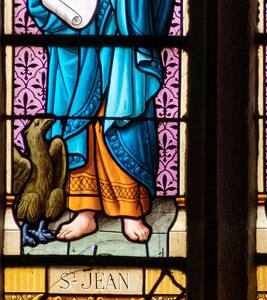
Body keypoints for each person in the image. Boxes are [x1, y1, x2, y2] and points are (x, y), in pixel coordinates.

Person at [26, 0, 171, 242]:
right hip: (82, 39)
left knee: (119, 116)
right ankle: (85, 209)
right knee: (82, 124)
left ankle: (130, 209)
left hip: (122, 33)